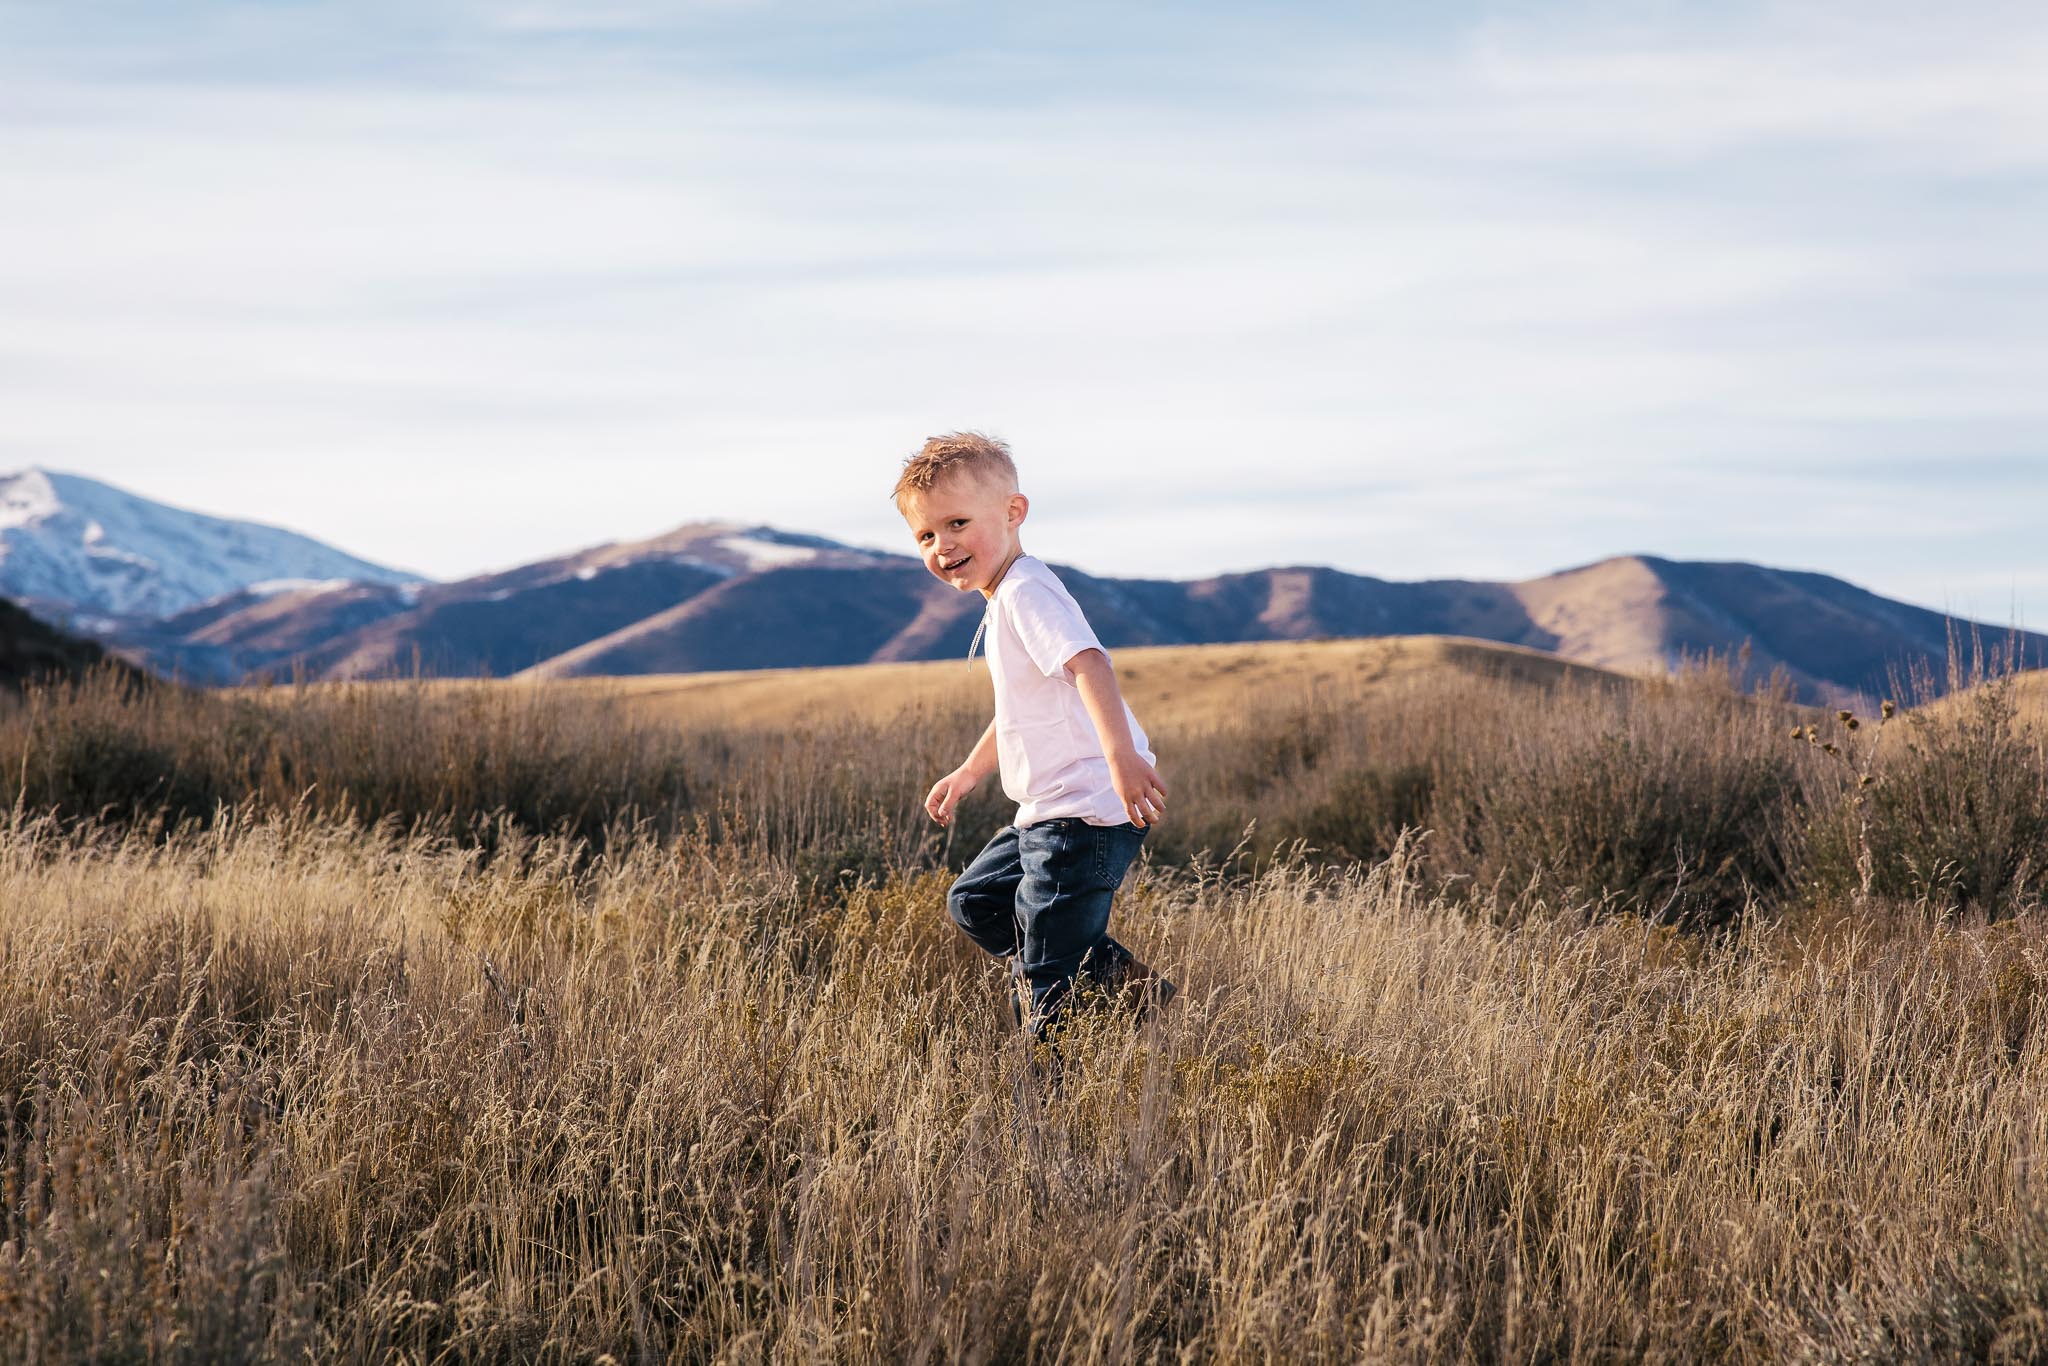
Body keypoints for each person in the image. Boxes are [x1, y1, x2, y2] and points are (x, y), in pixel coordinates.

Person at [893, 431, 1178, 1050]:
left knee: (1044, 974)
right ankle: (1128, 988)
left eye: (958, 523)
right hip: (1047, 811)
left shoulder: (1026, 592)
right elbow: (1019, 709)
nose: (943, 545)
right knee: (976, 902)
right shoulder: (1004, 598)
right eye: (926, 535)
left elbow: (1090, 665)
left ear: (1013, 512)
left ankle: (1047, 1092)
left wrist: (1121, 757)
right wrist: (969, 772)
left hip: (1083, 812)